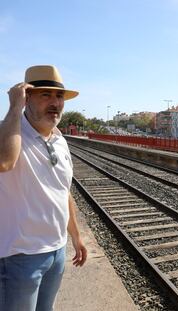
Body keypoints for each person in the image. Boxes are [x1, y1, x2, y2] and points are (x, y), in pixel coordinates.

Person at [0, 65, 87, 311]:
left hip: (57, 252)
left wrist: (76, 237)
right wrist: (14, 108)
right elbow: (4, 162)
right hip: (20, 256)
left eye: (59, 96)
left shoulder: (60, 140)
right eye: (45, 95)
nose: (55, 103)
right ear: (27, 98)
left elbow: (63, 191)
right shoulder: (8, 132)